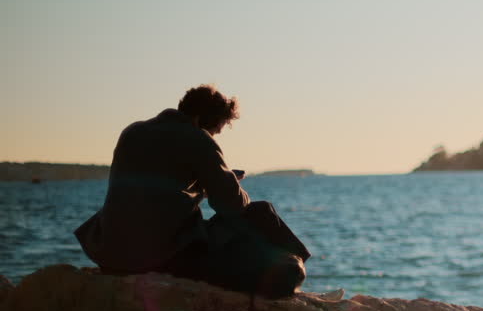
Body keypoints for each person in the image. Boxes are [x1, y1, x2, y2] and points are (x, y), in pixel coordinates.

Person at [75, 85, 309, 298]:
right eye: (216, 130)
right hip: (157, 256)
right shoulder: (198, 139)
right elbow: (233, 206)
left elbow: (156, 188)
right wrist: (230, 183)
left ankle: (292, 266)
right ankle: (294, 269)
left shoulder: (132, 132)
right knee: (261, 211)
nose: (214, 136)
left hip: (109, 252)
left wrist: (202, 186)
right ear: (199, 120)